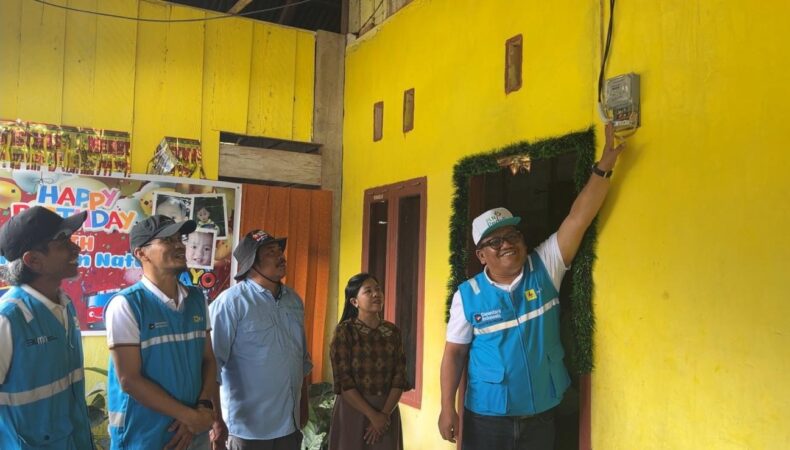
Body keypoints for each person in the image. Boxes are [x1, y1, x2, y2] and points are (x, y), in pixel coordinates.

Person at [438, 123, 626, 450]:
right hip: (487, 417)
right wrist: (446, 407)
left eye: (512, 235)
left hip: (540, 414)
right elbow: (454, 353)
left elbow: (578, 219)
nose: (506, 244)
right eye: (495, 242)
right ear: (481, 256)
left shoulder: (545, 267)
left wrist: (604, 167)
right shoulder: (468, 296)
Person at [104, 215, 219, 450]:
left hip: (193, 432)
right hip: (144, 436)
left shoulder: (197, 299)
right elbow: (130, 380)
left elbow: (208, 359)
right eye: (168, 240)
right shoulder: (126, 305)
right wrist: (189, 416)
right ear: (141, 253)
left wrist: (202, 408)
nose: (179, 245)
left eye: (180, 239)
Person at [0, 206, 94, 449]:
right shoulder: (8, 319)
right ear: (33, 260)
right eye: (63, 241)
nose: (76, 248)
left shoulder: (65, 305)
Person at [209, 230, 312, 450]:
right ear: (251, 264)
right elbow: (211, 365)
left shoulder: (293, 300)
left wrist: (303, 404)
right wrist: (215, 420)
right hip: (248, 429)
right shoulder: (231, 303)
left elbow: (300, 359)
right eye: (270, 252)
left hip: (289, 425)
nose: (281, 256)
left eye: (279, 251)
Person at [328, 273, 410, 450]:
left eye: (378, 289)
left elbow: (399, 378)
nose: (376, 294)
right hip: (353, 410)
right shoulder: (345, 332)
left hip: (387, 410)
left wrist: (383, 415)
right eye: (368, 291)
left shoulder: (393, 331)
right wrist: (373, 416)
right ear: (354, 302)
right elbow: (344, 381)